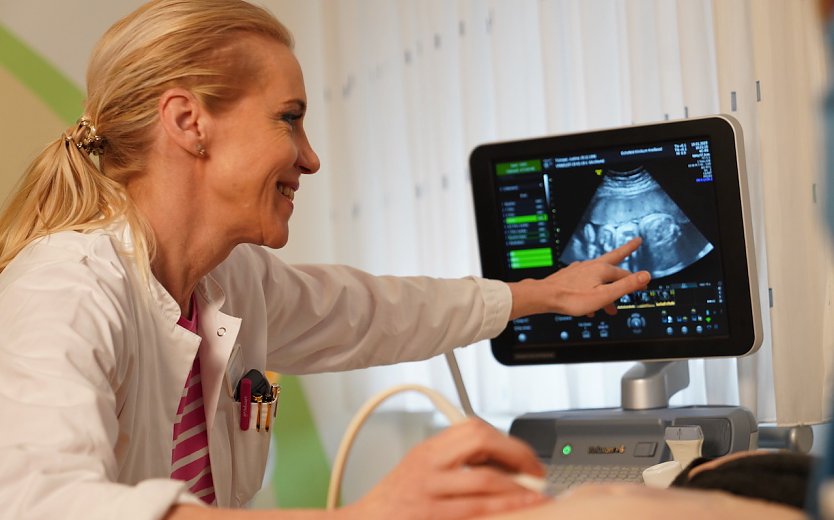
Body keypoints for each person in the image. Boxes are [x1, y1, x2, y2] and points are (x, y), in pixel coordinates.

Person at [0, 1, 651, 519]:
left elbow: (374, 312)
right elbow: (44, 504)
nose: (310, 157)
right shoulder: (66, 289)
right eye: (289, 119)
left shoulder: (229, 285)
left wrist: (540, 294)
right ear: (188, 121)